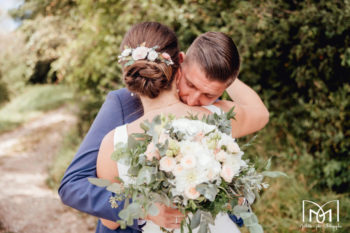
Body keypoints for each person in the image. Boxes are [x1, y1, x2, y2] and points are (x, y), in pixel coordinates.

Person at [59, 22, 268, 233]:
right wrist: (143, 207)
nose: (195, 100)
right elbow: (74, 186)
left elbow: (259, 114)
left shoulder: (215, 110)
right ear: (179, 63)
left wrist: (219, 69)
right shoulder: (122, 103)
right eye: (191, 84)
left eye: (209, 94)